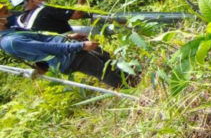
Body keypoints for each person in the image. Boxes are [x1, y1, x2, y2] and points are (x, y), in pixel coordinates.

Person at [0, 6, 137, 88]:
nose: (9, 14)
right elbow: (48, 48)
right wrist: (81, 46)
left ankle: (134, 79)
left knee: (107, 61)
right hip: (67, 57)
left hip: (69, 49)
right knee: (103, 70)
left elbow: (44, 38)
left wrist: (69, 37)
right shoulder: (11, 41)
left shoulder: (12, 31)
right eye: (4, 13)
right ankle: (131, 88)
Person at [9, 0, 90, 34]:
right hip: (69, 45)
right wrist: (81, 1)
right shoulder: (46, 10)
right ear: (31, 0)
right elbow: (76, 15)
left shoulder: (20, 20)